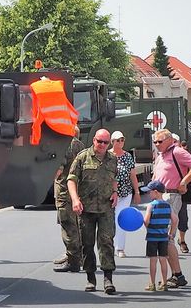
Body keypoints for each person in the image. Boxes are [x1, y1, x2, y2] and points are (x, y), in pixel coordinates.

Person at [68, 128, 118, 294]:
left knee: (106, 242)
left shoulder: (112, 159)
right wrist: (75, 199)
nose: (102, 145)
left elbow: (114, 179)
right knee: (87, 244)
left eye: (105, 142)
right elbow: (71, 179)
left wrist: (115, 192)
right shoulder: (82, 157)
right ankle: (90, 277)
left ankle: (108, 278)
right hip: (86, 208)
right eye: (99, 141)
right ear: (94, 140)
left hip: (105, 208)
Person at [151, 129, 191, 288]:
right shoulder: (161, 155)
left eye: (159, 141)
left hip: (172, 196)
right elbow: (156, 175)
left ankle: (177, 275)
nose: (157, 144)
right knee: (163, 238)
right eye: (155, 142)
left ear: (169, 140)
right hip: (161, 197)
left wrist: (184, 182)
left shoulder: (177, 151)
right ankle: (176, 275)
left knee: (166, 237)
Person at [53, 126, 86, 272]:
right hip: (77, 191)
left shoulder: (64, 146)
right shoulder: (81, 147)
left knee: (68, 227)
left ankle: (73, 261)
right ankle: (75, 256)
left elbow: (58, 170)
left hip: (65, 192)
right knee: (77, 226)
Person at [142, 180, 178, 292]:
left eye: (150, 192)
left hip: (152, 237)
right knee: (163, 259)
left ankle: (151, 284)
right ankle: (164, 283)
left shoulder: (151, 205)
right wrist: (171, 234)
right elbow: (175, 220)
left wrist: (144, 224)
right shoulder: (168, 205)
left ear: (156, 192)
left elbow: (147, 221)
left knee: (153, 260)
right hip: (164, 237)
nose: (148, 194)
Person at [110, 131, 141, 258]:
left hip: (125, 193)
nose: (120, 142)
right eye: (118, 140)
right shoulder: (107, 155)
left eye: (122, 140)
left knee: (121, 219)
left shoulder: (127, 156)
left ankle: (120, 248)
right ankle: (108, 247)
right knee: (110, 221)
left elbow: (132, 175)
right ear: (112, 142)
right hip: (110, 194)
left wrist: (137, 192)